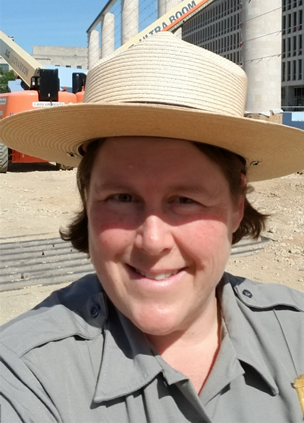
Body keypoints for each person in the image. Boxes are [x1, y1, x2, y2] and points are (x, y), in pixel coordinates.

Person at [0, 32, 304, 423]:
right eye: (122, 198)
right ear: (87, 204)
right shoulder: (26, 376)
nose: (153, 240)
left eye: (185, 200)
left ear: (236, 207)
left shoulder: (295, 331)